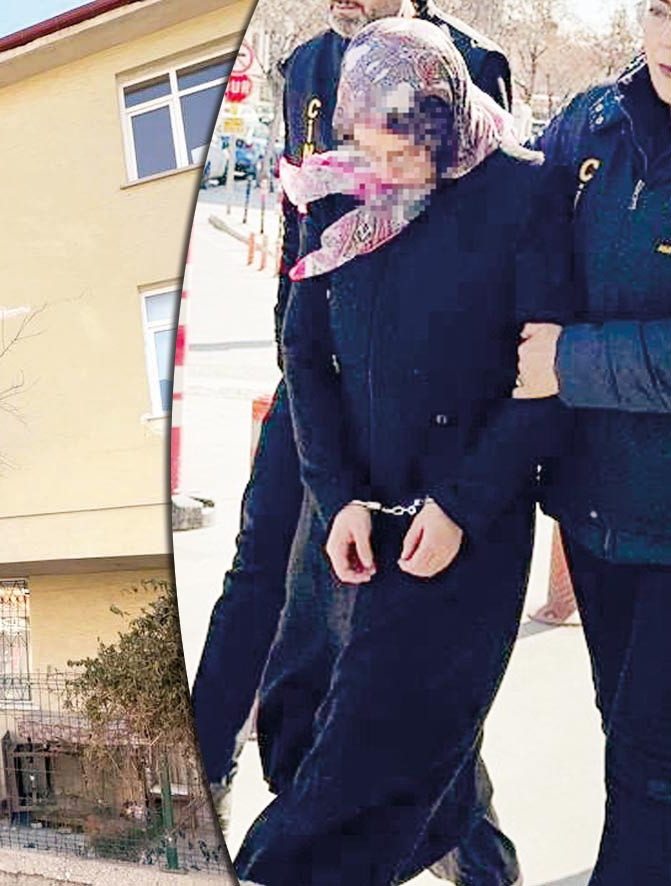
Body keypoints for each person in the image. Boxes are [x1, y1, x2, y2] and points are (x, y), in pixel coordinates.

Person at [234, 19, 573, 885]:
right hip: (347, 522)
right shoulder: (335, 191)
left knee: (363, 770)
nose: (388, 171)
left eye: (404, 150)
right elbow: (304, 353)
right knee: (311, 724)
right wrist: (335, 496)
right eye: (371, 150)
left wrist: (462, 506)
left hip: (461, 532)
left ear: (445, 114)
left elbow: (541, 381)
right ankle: (486, 873)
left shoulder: (521, 188)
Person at [516, 1, 671, 880]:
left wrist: (569, 362)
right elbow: (509, 223)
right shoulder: (591, 121)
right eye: (659, 10)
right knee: (624, 730)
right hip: (595, 512)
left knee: (650, 764)